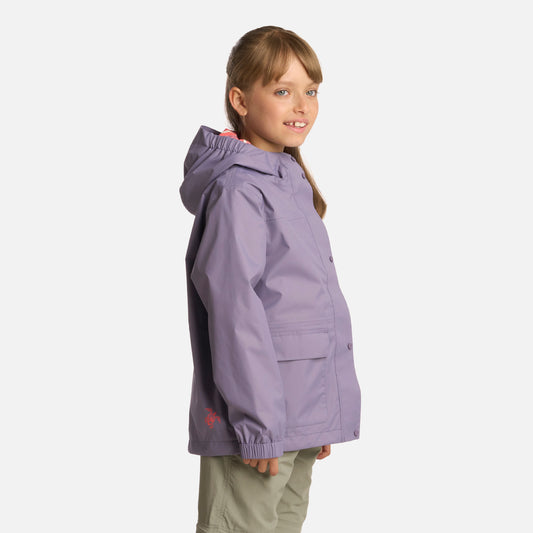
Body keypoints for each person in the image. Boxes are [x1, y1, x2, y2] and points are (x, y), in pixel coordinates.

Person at [180, 25, 362, 533]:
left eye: (312, 91)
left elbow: (299, 306)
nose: (302, 105)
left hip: (296, 415)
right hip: (256, 423)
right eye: (283, 91)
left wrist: (319, 410)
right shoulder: (239, 190)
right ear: (240, 100)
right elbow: (235, 312)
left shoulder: (290, 182)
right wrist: (259, 423)